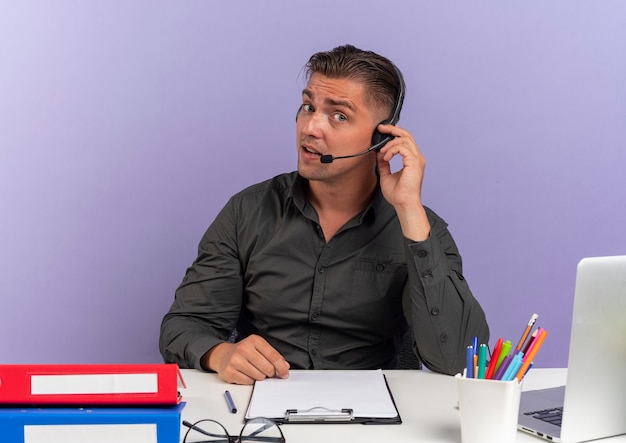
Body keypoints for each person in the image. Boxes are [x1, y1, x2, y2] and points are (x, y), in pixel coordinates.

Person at [159, 44, 489, 385]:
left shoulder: (419, 227)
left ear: (381, 137)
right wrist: (220, 353)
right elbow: (183, 326)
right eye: (308, 107)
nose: (310, 127)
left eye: (339, 116)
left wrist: (408, 210)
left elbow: (456, 360)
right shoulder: (247, 212)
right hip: (265, 408)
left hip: (380, 417)